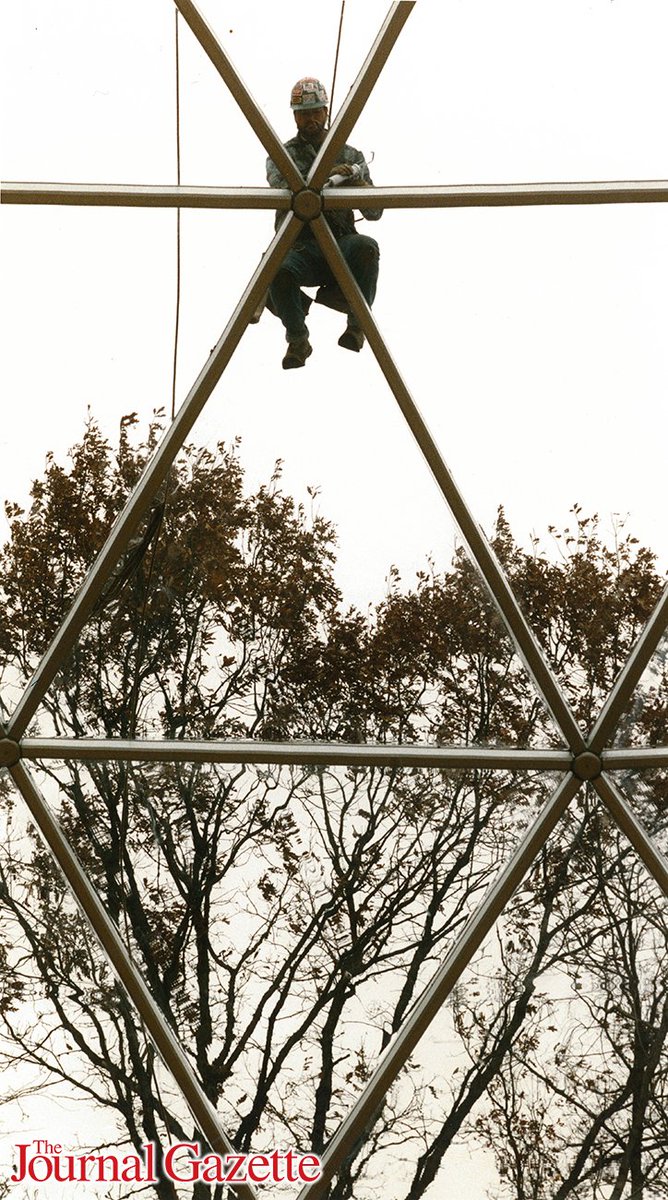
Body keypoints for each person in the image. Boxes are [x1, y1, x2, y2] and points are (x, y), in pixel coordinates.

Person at [266, 77, 382, 369]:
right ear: (295, 116)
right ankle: (297, 339)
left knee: (367, 247)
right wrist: (329, 173)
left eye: (316, 111)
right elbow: (287, 186)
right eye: (304, 113)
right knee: (277, 269)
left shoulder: (350, 155)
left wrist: (355, 181)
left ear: (326, 112)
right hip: (302, 247)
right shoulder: (283, 155)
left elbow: (375, 210)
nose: (311, 119)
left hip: (340, 245)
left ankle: (357, 325)